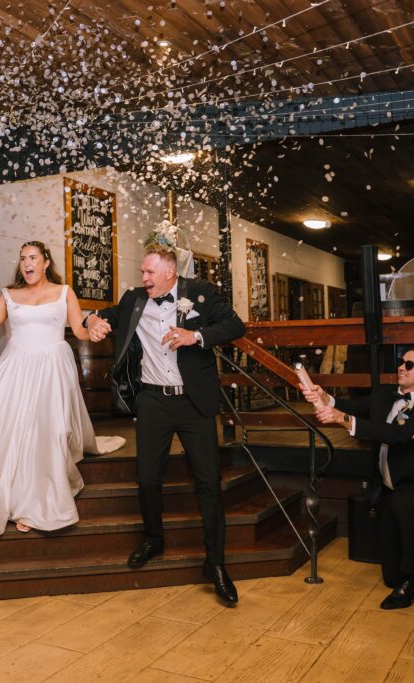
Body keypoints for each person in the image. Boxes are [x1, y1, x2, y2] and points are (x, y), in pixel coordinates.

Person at [87, 246, 246, 606]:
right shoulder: (134, 300)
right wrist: (90, 322)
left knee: (208, 480)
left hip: (194, 401)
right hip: (153, 400)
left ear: (170, 273)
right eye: (142, 272)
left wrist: (196, 336)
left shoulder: (201, 293)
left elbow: (236, 325)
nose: (143, 279)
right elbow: (102, 316)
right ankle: (153, 539)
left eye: (149, 273)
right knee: (147, 477)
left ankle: (216, 563)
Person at [0, 241, 122, 537]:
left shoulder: (64, 292)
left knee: (45, 434)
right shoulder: (9, 295)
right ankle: (3, 501)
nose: (27, 263)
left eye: (32, 258)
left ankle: (38, 505)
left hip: (52, 367)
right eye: (22, 258)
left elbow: (78, 330)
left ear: (44, 262)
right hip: (15, 367)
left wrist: (92, 330)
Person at [300, 344, 414, 609]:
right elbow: (350, 406)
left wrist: (342, 419)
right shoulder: (384, 394)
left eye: (409, 364)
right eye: (401, 361)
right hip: (391, 489)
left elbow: (397, 435)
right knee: (391, 576)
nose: (401, 367)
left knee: (402, 503)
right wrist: (326, 398)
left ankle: (413, 587)